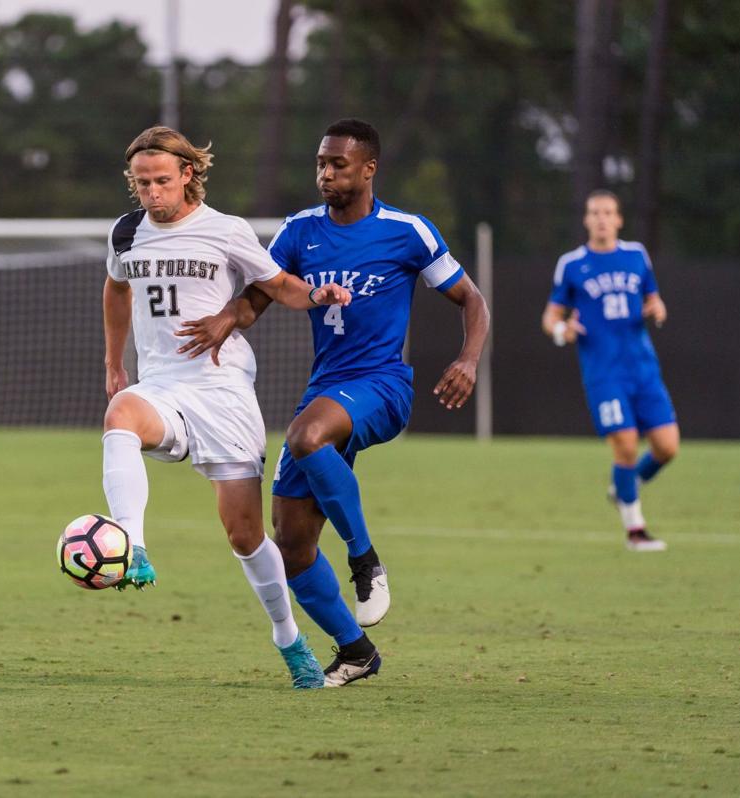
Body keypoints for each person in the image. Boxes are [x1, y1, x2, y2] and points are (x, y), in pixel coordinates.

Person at [175, 118, 490, 686]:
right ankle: (356, 651)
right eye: (321, 163)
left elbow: (471, 299)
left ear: (368, 169)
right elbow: (258, 297)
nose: (325, 173)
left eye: (338, 164)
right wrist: (227, 317)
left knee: (304, 435)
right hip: (326, 391)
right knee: (291, 545)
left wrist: (467, 360)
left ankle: (364, 559)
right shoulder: (299, 231)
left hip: (383, 386)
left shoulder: (407, 231)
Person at [102, 126, 353, 689]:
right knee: (120, 415)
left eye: (161, 181)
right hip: (161, 385)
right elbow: (116, 289)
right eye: (141, 183)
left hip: (222, 391)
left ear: (187, 174)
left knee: (244, 534)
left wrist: (317, 294)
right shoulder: (125, 232)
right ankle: (131, 545)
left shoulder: (226, 230)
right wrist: (115, 363)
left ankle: (288, 637)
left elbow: (278, 284)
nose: (151, 193)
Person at [541, 189, 677, 552]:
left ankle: (623, 488)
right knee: (626, 445)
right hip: (604, 374)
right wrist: (562, 330)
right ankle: (636, 531)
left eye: (608, 212)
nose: (601, 219)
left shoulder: (636, 255)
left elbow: (654, 298)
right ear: (586, 220)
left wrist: (658, 309)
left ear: (618, 219)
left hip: (643, 369)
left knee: (667, 447)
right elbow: (550, 316)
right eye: (595, 212)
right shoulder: (572, 264)